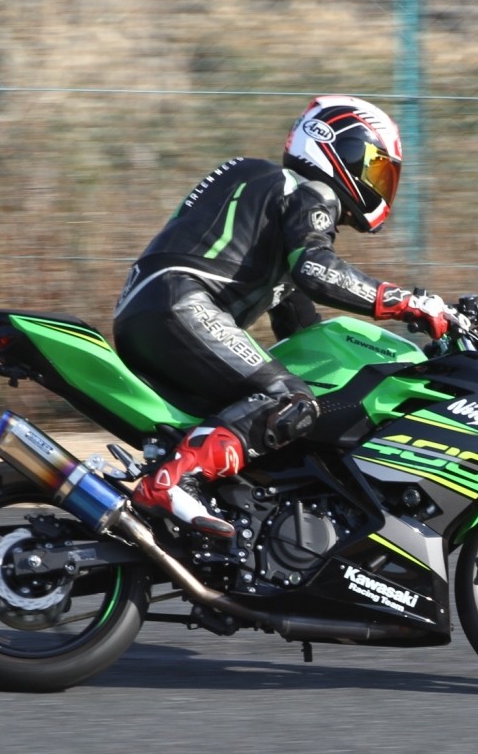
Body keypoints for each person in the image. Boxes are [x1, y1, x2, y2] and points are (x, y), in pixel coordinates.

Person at [113, 95, 450, 538]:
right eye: (375, 169)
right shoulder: (309, 191)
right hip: (181, 304)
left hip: (154, 308)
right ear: (335, 148)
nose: (379, 184)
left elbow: (302, 330)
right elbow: (317, 270)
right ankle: (173, 482)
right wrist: (408, 303)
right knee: (291, 400)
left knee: (277, 403)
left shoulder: (275, 206)